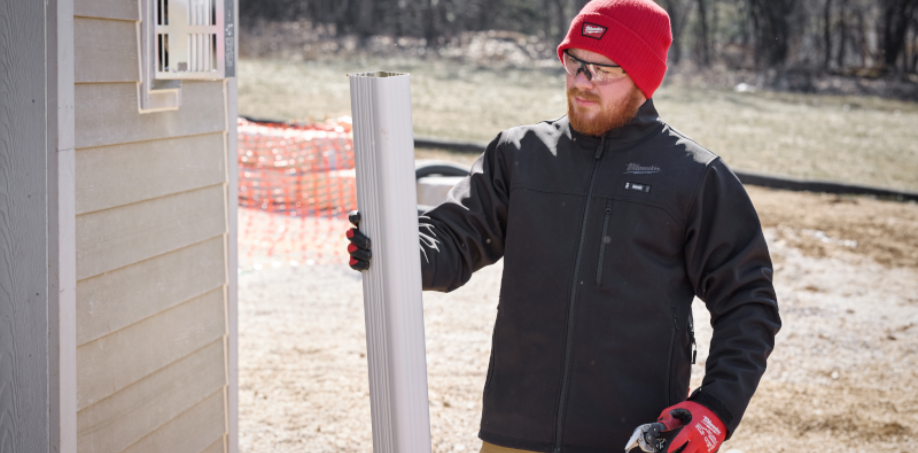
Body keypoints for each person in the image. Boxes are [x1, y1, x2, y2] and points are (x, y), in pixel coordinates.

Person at [346, 1, 782, 452]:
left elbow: (749, 304)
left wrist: (716, 408)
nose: (580, 82)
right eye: (574, 63)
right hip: (514, 432)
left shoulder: (693, 177)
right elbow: (454, 240)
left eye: (602, 70)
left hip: (629, 439)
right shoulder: (520, 155)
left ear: (643, 77)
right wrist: (395, 245)